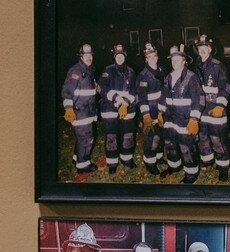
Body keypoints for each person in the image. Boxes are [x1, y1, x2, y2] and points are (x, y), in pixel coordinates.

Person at [161, 45, 204, 184]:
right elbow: (164, 97)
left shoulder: (191, 77)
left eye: (177, 60)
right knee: (171, 144)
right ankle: (174, 166)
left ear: (184, 61)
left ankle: (191, 174)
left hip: (186, 120)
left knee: (186, 147)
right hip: (170, 119)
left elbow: (199, 99)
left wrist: (194, 119)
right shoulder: (168, 77)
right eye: (173, 60)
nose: (174, 62)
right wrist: (161, 112)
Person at [195, 35, 230, 179]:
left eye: (205, 48)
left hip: (216, 110)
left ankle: (223, 167)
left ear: (210, 49)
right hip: (201, 109)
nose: (202, 50)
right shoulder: (196, 65)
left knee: (218, 139)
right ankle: (207, 160)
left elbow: (226, 86)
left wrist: (220, 105)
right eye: (200, 48)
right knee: (203, 137)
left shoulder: (218, 66)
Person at [97, 43, 137, 174]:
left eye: (122, 56)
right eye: (117, 56)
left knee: (127, 135)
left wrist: (125, 102)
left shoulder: (131, 72)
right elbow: (102, 88)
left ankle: (127, 158)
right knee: (111, 136)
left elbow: (134, 91)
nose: (119, 58)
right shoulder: (107, 70)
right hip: (110, 109)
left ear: (125, 56)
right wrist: (117, 98)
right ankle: (112, 162)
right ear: (114, 57)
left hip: (127, 109)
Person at [62, 43, 99, 174]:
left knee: (82, 137)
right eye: (86, 55)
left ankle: (76, 158)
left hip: (87, 111)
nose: (89, 57)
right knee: (87, 138)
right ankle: (82, 166)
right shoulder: (76, 71)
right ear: (81, 56)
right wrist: (68, 108)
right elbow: (67, 91)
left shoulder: (88, 70)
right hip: (79, 111)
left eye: (90, 55)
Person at [134, 43, 167, 176]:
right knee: (151, 138)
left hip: (160, 110)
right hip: (149, 112)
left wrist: (162, 111)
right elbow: (140, 98)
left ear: (157, 57)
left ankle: (159, 158)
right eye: (149, 56)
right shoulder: (143, 76)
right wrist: (146, 116)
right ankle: (149, 162)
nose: (152, 58)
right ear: (146, 59)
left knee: (160, 136)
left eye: (154, 56)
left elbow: (165, 92)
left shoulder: (162, 71)